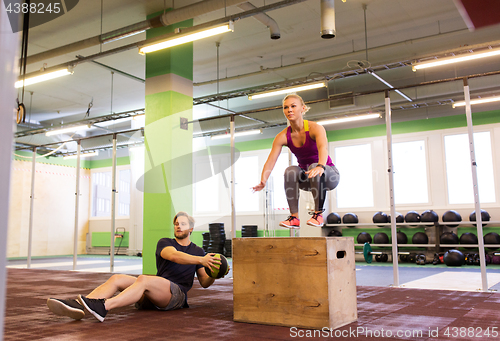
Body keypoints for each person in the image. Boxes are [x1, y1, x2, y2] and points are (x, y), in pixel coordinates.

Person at [47, 211, 226, 322]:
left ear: (191, 229)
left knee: (144, 279)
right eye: (176, 224)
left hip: (175, 296)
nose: (178, 226)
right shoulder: (165, 243)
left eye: (183, 224)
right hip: (154, 291)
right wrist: (200, 260)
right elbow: (174, 256)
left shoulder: (199, 251)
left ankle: (104, 306)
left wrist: (214, 274)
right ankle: (79, 306)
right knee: (117, 278)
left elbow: (204, 282)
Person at [252, 94, 340, 229]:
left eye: (293, 106)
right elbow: (271, 160)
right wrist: (263, 180)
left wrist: (321, 166)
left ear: (303, 108)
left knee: (314, 166)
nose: (289, 110)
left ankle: (318, 215)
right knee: (290, 170)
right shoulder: (282, 136)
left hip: (329, 175)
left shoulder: (315, 128)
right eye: (286, 107)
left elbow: (323, 148)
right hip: (307, 178)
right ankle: (294, 218)